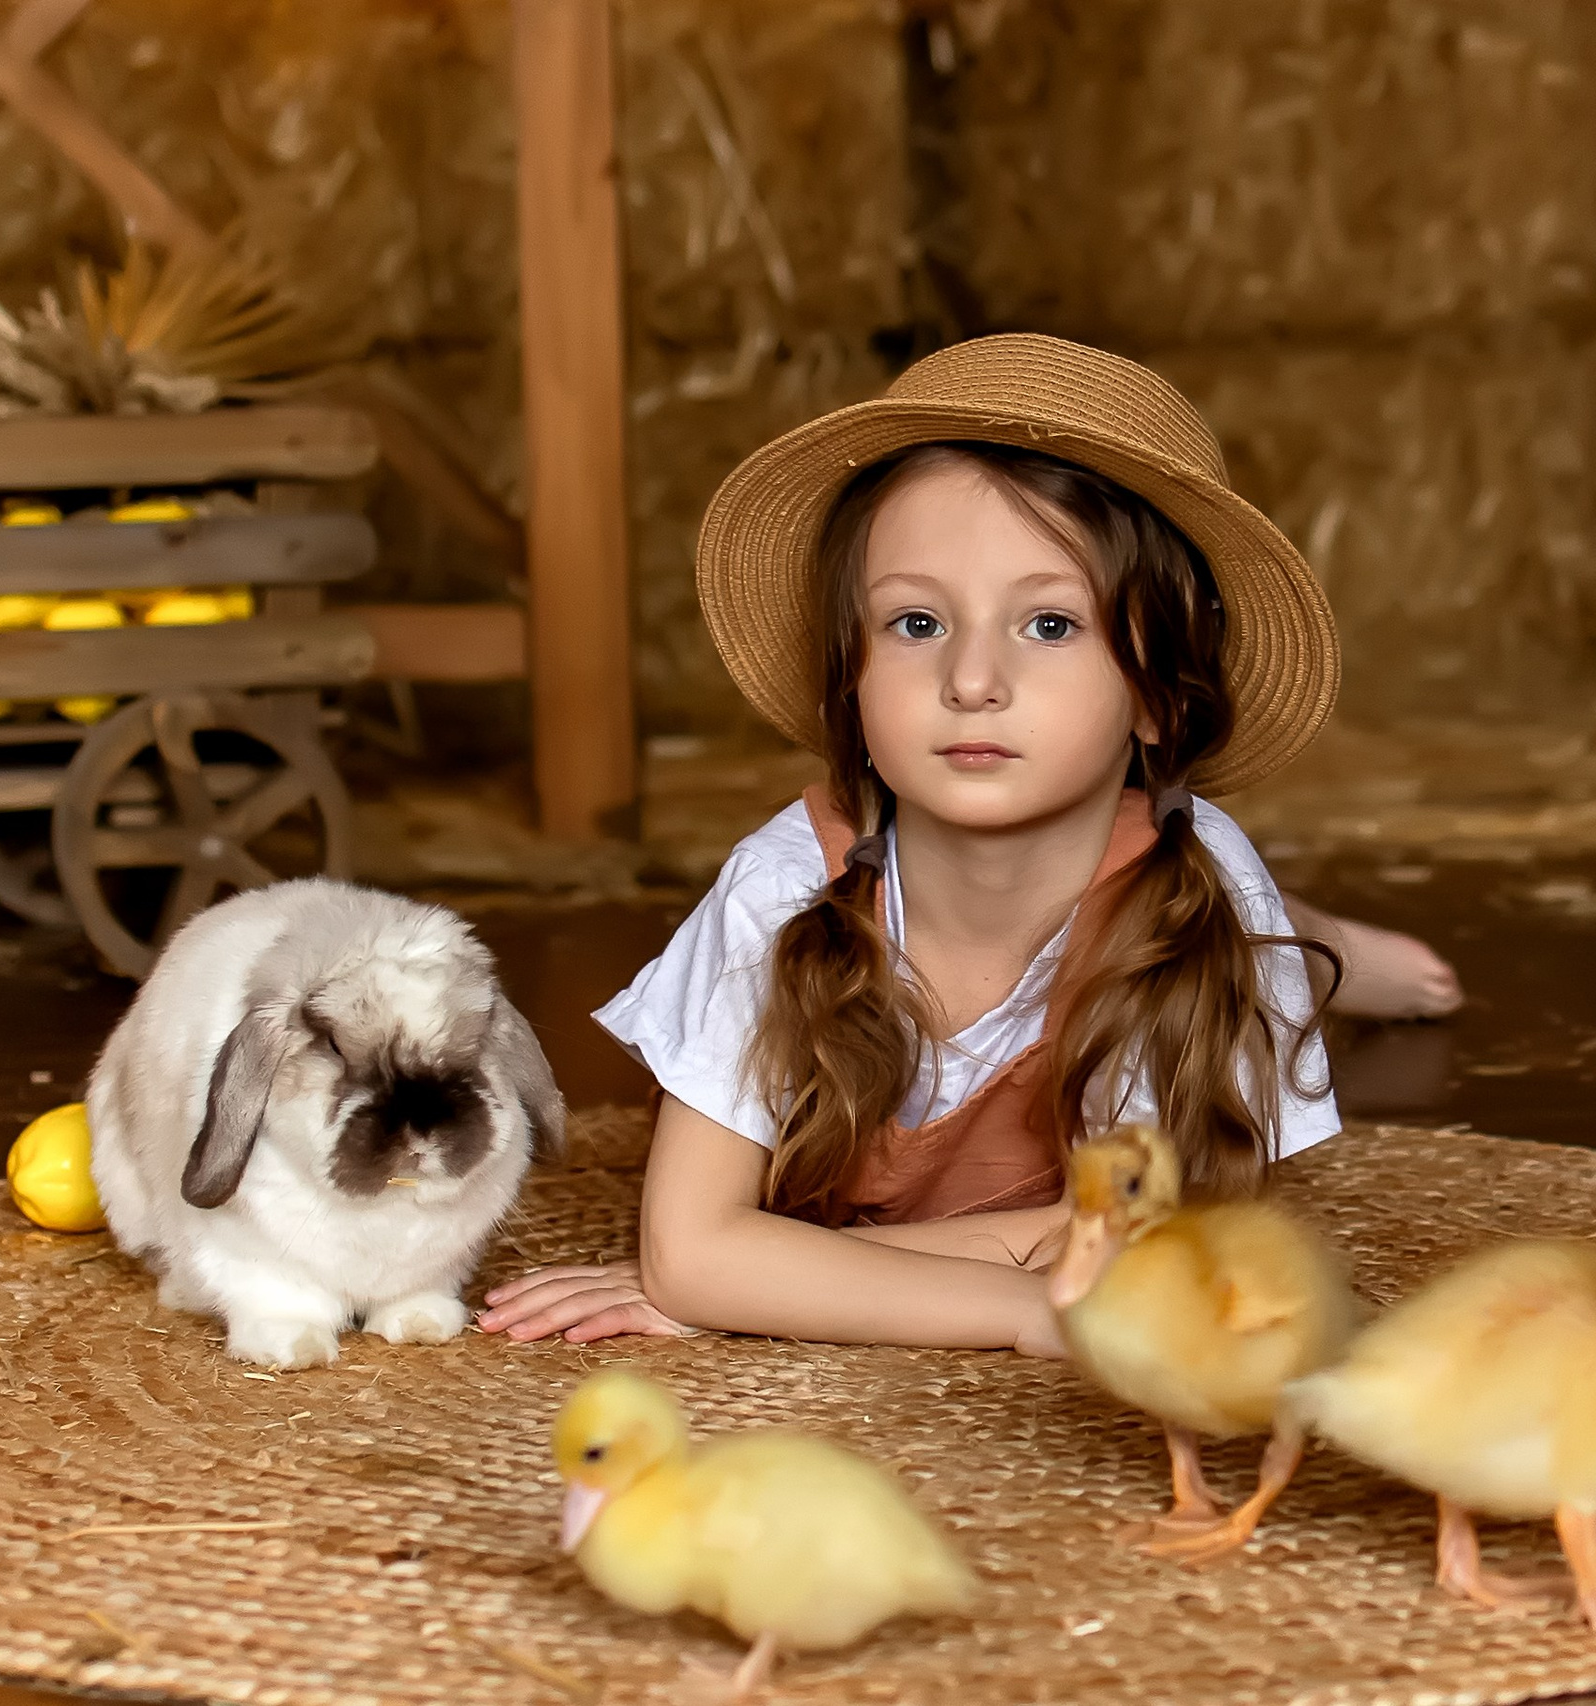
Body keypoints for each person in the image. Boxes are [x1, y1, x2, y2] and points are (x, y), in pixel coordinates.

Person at [478, 335, 1458, 1357]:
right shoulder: (782, 884)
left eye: (1046, 624)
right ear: (849, 684)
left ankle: (1340, 951)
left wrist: (781, 1276)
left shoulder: (1204, 892)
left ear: (1160, 693)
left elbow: (1173, 1240)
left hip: (1170, 886)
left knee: (1247, 926)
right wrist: (1031, 1304)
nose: (972, 679)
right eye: (914, 621)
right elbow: (692, 1254)